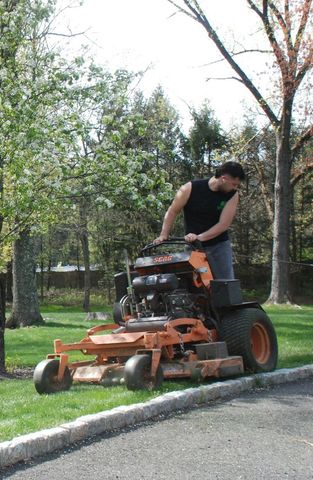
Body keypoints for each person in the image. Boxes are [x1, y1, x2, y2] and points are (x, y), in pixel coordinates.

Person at [154, 161, 245, 279]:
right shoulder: (190, 188)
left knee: (225, 284)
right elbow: (172, 211)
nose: (235, 187)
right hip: (193, 247)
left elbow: (223, 224)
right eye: (234, 184)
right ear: (224, 178)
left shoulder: (232, 195)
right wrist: (163, 235)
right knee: (195, 285)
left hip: (219, 246)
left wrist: (199, 237)